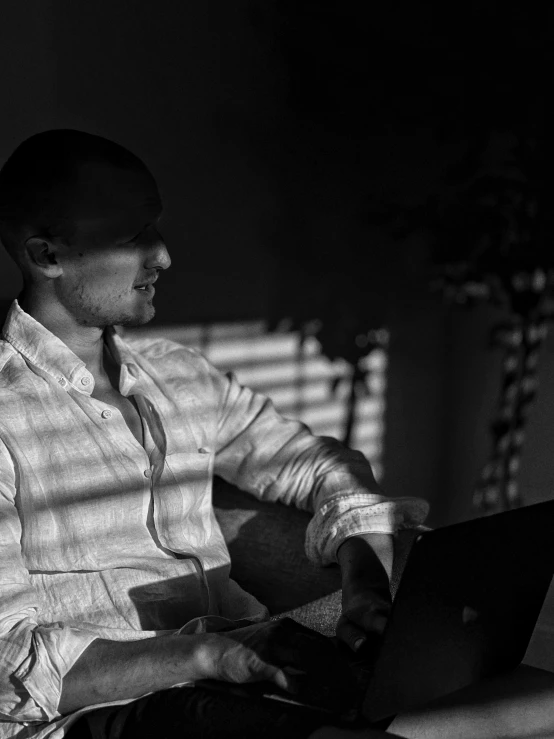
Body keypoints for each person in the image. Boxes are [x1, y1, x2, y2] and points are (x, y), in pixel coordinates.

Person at [0, 129, 552, 739]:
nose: (163, 256)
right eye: (133, 238)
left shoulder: (177, 376)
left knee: (516, 702)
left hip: (241, 672)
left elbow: (316, 462)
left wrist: (364, 580)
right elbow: (6, 660)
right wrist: (215, 654)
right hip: (108, 713)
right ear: (47, 256)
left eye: (154, 229)